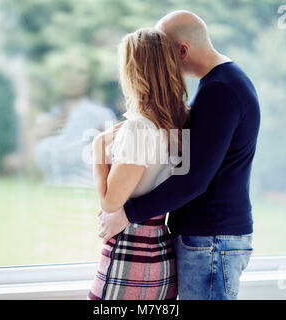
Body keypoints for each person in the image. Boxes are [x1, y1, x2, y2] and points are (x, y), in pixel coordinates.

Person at [99, 10, 261, 300]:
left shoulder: (220, 91)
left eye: (164, 52)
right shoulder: (222, 83)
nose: (160, 62)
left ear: (181, 51)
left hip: (211, 238)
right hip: (210, 236)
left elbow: (195, 178)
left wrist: (128, 213)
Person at [88, 27, 189, 300]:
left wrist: (98, 148)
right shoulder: (176, 126)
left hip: (131, 259)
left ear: (135, 73)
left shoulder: (139, 129)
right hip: (159, 254)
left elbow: (110, 203)